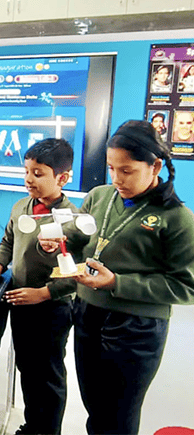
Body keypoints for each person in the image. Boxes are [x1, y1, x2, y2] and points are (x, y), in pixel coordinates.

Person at [47, 120, 194, 435]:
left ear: (155, 166)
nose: (116, 179)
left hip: (136, 327)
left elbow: (187, 287)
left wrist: (116, 283)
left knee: (119, 417)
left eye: (127, 171)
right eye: (111, 168)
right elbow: (77, 239)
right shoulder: (99, 197)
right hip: (87, 313)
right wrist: (57, 242)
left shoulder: (177, 218)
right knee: (95, 409)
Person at [0, 138, 77, 435]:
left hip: (51, 308)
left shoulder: (72, 219)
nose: (29, 179)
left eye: (38, 173)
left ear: (62, 178)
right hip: (20, 302)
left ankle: (46, 431)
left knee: (47, 376)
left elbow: (77, 273)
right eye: (27, 171)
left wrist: (44, 293)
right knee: (28, 371)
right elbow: (8, 241)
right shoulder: (21, 206)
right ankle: (33, 427)